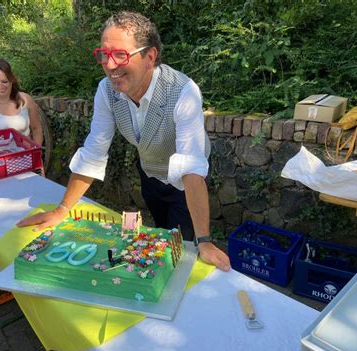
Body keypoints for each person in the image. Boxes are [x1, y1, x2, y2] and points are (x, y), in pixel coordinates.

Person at [18, 11, 230, 272]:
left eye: (120, 54)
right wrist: (62, 209)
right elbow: (95, 149)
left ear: (150, 57)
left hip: (187, 184)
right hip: (150, 173)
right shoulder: (106, 90)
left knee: (185, 251)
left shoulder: (183, 91)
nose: (109, 65)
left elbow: (190, 167)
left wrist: (204, 241)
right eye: (104, 55)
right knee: (163, 234)